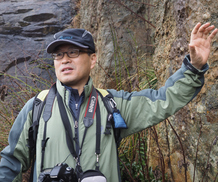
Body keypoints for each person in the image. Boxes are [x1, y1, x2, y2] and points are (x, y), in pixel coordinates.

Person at [0, 22, 217, 182]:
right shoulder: (36, 107)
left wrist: (193, 68)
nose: (64, 59)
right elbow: (11, 163)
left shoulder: (112, 104)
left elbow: (162, 101)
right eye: (58, 55)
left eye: (73, 52)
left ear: (92, 59)